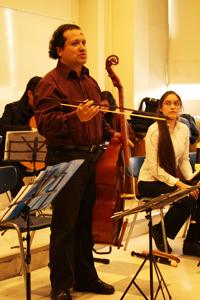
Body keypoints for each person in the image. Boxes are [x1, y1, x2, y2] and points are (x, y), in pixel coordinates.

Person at [34, 24, 118, 300]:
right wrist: (74, 118)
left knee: (84, 224)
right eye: (74, 43)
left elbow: (97, 118)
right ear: (59, 50)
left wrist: (111, 132)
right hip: (66, 159)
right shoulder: (50, 83)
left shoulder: (90, 82)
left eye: (84, 42)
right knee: (65, 226)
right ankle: (61, 285)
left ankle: (86, 277)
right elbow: (45, 124)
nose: (82, 47)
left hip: (89, 158)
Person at [137, 90, 200, 256]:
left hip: (167, 180)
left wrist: (192, 180)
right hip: (149, 182)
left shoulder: (184, 129)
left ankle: (192, 242)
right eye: (168, 103)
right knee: (186, 198)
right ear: (160, 109)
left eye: (176, 103)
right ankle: (159, 230)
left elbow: (184, 160)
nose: (173, 106)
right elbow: (154, 169)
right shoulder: (154, 130)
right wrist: (182, 185)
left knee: (197, 192)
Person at [0, 76, 42, 197]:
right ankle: (22, 208)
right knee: (15, 173)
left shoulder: (43, 113)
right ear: (30, 93)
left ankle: (38, 203)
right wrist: (29, 130)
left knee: (53, 172)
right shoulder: (12, 108)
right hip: (14, 158)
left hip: (37, 158)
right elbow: (2, 127)